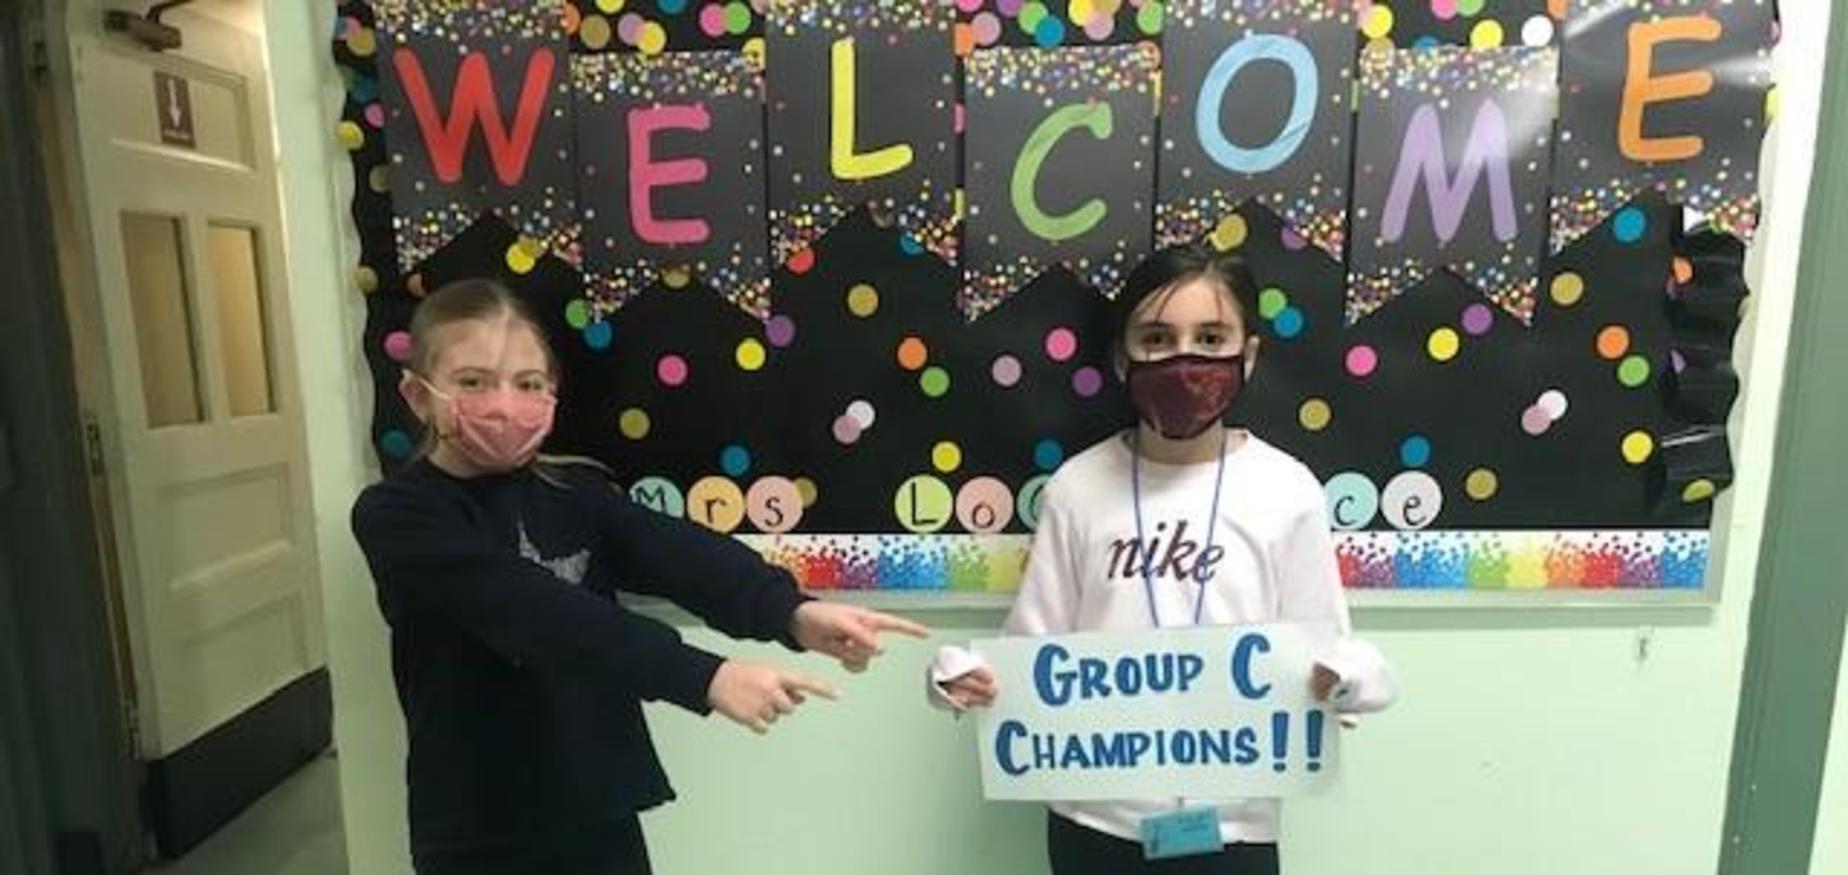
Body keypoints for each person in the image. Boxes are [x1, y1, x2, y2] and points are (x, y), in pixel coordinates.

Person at [352, 278, 928, 874]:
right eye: (473, 382)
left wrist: (791, 612)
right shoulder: (399, 517)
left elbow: (675, 552)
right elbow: (532, 613)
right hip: (479, 820)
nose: (504, 403)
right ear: (418, 396)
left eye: (527, 384)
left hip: (599, 802)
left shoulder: (575, 492)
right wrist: (704, 676)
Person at [928, 244, 1398, 874]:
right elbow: (1033, 653)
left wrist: (1347, 680)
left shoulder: (1287, 490)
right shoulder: (1078, 487)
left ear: (1248, 354)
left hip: (1234, 830)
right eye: (1157, 338)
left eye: (1211, 338)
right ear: (1123, 357)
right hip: (1092, 823)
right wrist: (961, 678)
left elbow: (1340, 652)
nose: (1185, 360)